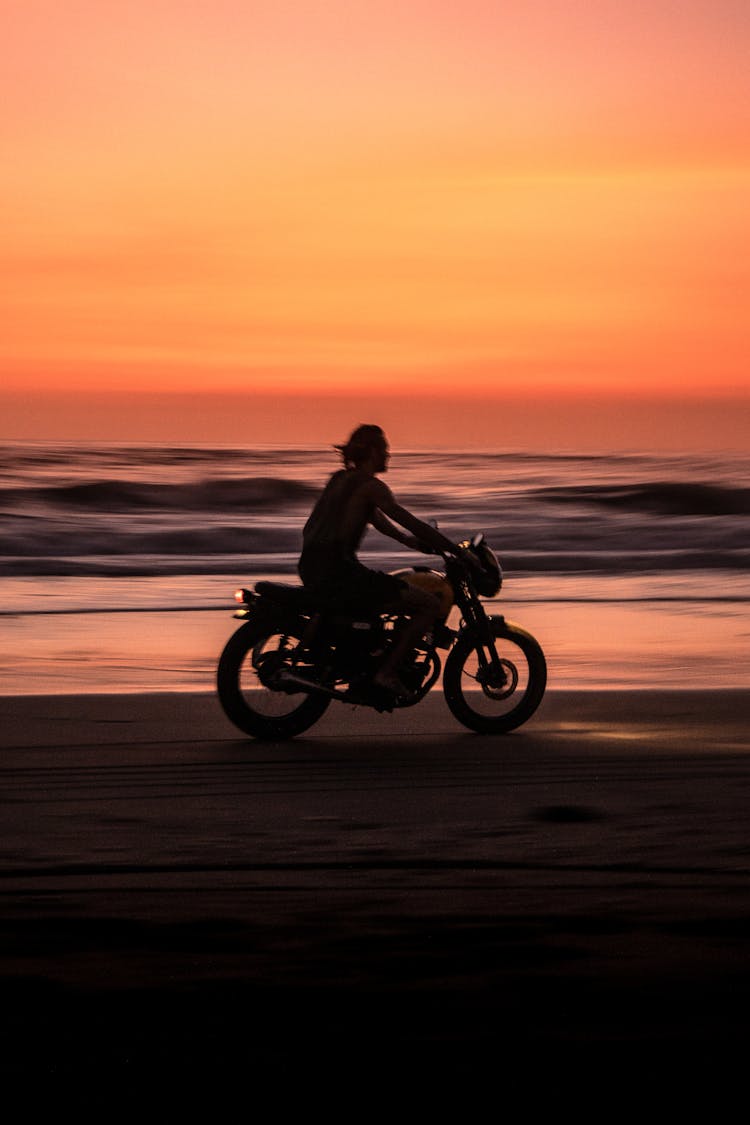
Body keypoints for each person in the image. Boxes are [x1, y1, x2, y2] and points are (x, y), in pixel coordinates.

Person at [298, 424, 459, 697]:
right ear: (372, 452)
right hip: (339, 571)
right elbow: (407, 519)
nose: (388, 455)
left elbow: (377, 520)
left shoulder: (340, 479)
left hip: (311, 566)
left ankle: (364, 658)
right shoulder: (372, 487)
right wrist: (454, 548)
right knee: (429, 604)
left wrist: (408, 542)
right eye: (385, 449)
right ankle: (386, 674)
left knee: (376, 602)